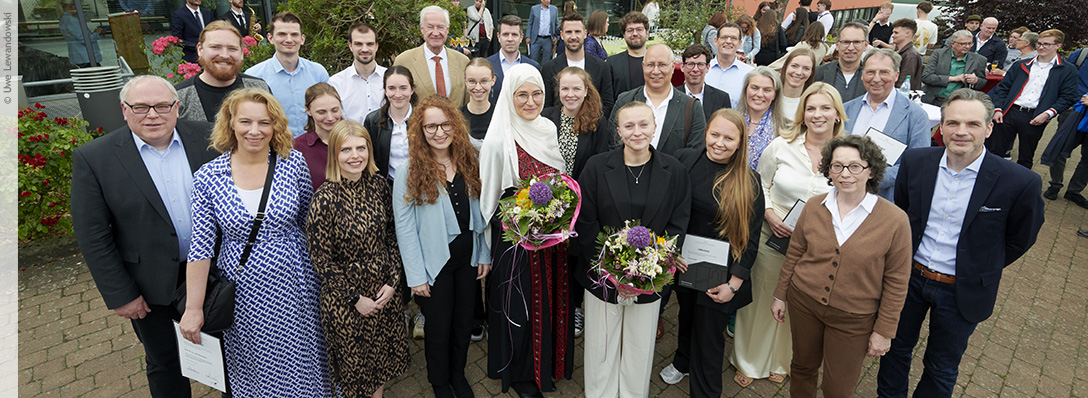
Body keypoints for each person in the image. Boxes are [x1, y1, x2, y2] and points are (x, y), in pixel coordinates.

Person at [876, 88, 1045, 398]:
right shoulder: (915, 162)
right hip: (909, 279)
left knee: (941, 366)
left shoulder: (1020, 182)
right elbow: (904, 213)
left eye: (973, 124)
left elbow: (1020, 238)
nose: (961, 132)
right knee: (894, 350)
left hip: (962, 290)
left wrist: (978, 265)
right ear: (941, 127)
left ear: (990, 127)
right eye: (952, 123)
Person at [71, 75, 218, 398]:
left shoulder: (208, 138)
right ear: (124, 111)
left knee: (228, 357)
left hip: (213, 276)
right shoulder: (95, 158)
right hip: (150, 286)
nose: (153, 115)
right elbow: (93, 234)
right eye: (141, 107)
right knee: (165, 362)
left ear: (177, 107)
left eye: (162, 105)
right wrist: (121, 294)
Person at [178, 88, 331, 396]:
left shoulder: (292, 164)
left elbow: (308, 224)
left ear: (275, 125)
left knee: (306, 356)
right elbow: (201, 247)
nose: (255, 131)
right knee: (258, 363)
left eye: (264, 122)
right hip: (244, 289)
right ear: (230, 123)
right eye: (246, 121)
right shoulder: (209, 177)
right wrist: (194, 308)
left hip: (297, 281)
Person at [770, 134, 912, 398]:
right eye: (837, 166)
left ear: (871, 171)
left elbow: (897, 281)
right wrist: (780, 295)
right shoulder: (814, 206)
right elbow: (795, 253)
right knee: (802, 367)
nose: (845, 174)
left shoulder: (895, 221)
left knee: (838, 387)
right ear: (828, 170)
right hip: (804, 303)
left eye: (855, 166)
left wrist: (884, 331)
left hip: (854, 317)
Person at [732, 82, 847, 388]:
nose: (817, 114)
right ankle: (748, 359)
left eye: (825, 108)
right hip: (774, 236)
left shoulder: (849, 153)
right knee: (761, 300)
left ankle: (782, 360)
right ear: (802, 113)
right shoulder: (781, 147)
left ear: (837, 114)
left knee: (798, 305)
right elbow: (761, 186)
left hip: (818, 246)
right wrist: (770, 213)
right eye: (811, 108)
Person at [575, 101, 692, 398]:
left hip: (651, 278)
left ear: (654, 128)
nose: (637, 132)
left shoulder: (674, 170)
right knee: (601, 347)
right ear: (618, 131)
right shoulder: (597, 167)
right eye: (629, 126)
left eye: (643, 125)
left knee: (639, 347)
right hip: (602, 278)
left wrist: (645, 273)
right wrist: (614, 273)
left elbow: (678, 224)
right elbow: (587, 223)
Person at [480, 64, 573, 397]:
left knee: (550, 304)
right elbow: (489, 201)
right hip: (516, 243)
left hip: (552, 240)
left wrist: (554, 217)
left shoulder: (548, 128)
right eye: (522, 94)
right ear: (509, 95)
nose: (531, 101)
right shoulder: (498, 140)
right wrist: (524, 222)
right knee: (521, 307)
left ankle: (548, 366)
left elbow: (558, 179)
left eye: (537, 94)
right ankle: (521, 374)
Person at [659, 109, 764, 396]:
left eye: (729, 138)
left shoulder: (749, 181)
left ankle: (705, 391)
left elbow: (750, 239)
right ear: (705, 133)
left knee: (709, 336)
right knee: (687, 315)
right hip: (683, 263)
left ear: (741, 142)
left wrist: (734, 283)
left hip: (719, 273)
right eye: (714, 134)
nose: (719, 143)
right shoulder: (684, 159)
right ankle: (683, 360)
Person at [393, 96, 491, 398]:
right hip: (433, 265)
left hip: (468, 259)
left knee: (463, 322)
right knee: (438, 328)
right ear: (420, 130)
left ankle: (457, 373)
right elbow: (405, 227)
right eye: (431, 126)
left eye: (445, 124)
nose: (439, 132)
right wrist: (416, 276)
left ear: (455, 126)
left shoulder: (469, 159)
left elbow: (482, 212)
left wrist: (483, 252)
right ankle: (438, 381)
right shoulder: (409, 170)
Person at [306, 120, 410, 397]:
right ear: (334, 155)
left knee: (381, 366)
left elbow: (391, 236)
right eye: (346, 149)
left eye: (361, 148)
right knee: (356, 374)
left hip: (382, 291)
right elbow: (321, 260)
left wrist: (393, 282)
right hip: (347, 300)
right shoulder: (323, 199)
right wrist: (355, 299)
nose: (355, 156)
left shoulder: (379, 186)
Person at [843, 48, 931, 200]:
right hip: (843, 197)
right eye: (870, 72)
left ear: (896, 75)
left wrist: (867, 176)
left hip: (885, 201)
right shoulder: (846, 109)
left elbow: (917, 165)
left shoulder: (915, 115)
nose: (876, 79)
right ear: (863, 75)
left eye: (884, 72)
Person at [986, 29, 1080, 169]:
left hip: (1035, 117)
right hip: (1009, 112)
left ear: (1058, 46)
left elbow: (1068, 97)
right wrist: (998, 108)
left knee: (1025, 157)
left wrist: (1048, 113)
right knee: (994, 152)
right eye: (1039, 44)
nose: (1041, 47)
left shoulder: (1067, 69)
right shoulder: (1021, 65)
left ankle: (1020, 187)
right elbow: (1003, 88)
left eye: (1046, 44)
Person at [612, 44, 707, 157]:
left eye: (662, 65)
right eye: (650, 65)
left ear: (673, 67)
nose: (656, 71)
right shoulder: (625, 101)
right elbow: (613, 144)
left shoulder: (691, 108)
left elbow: (695, 153)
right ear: (643, 66)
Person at [245, 12, 331, 137]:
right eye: (282, 34)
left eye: (294, 34)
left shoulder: (318, 73)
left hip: (314, 147)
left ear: (302, 39)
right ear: (270, 38)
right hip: (273, 148)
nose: (289, 39)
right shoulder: (254, 76)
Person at [176, 20, 271, 122]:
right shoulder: (180, 97)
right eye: (215, 47)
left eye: (232, 48)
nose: (224, 55)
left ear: (241, 53)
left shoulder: (259, 88)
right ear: (200, 49)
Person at [543, 67, 613, 180]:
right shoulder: (545, 117)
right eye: (565, 89)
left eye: (576, 89)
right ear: (558, 91)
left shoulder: (598, 122)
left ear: (585, 91)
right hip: (549, 190)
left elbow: (601, 162)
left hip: (584, 189)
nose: (570, 94)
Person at [394, 6, 471, 107]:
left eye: (440, 27)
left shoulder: (463, 61)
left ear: (447, 29)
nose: (435, 33)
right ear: (422, 29)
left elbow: (468, 102)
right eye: (430, 27)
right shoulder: (403, 61)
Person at [542, 12, 615, 116]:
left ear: (585, 34)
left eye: (577, 32)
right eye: (568, 32)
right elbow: (547, 106)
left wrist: (590, 123)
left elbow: (607, 104)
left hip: (593, 128)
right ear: (562, 35)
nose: (573, 36)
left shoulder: (601, 66)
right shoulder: (548, 68)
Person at [1043, 46, 1088, 207]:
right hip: (1074, 111)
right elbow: (1063, 76)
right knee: (1059, 147)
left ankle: (1074, 191)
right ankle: (1055, 184)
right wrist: (1065, 102)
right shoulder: (1081, 55)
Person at [364, 66, 419, 181]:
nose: (398, 94)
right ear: (385, 90)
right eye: (392, 88)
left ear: (412, 89)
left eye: (403, 88)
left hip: (421, 186)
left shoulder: (424, 118)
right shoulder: (373, 121)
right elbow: (369, 159)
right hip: (386, 188)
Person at [329, 23, 387, 124]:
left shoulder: (390, 77)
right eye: (358, 44)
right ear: (350, 46)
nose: (364, 49)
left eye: (370, 44)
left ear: (376, 46)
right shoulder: (336, 83)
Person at [294, 82, 343, 191]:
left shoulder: (355, 141)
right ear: (308, 110)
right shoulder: (296, 148)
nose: (330, 118)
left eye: (335, 110)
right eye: (322, 112)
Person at [920, 30, 988, 106]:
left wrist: (976, 80)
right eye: (963, 44)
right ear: (953, 44)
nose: (967, 46)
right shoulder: (939, 54)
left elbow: (983, 82)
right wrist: (954, 78)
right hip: (933, 100)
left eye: (970, 43)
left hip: (958, 103)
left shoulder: (979, 60)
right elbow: (926, 77)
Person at [737, 66, 786, 169]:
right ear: (746, 90)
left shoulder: (784, 128)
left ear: (774, 95)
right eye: (754, 88)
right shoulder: (732, 120)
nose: (759, 94)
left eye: (767, 90)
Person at [489, 15, 542, 102]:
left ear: (521, 38)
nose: (510, 39)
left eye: (514, 35)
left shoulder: (533, 67)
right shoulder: (487, 65)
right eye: (505, 34)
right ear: (498, 37)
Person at [813, 22, 868, 102]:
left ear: (866, 45)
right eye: (846, 42)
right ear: (837, 45)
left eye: (857, 42)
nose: (851, 48)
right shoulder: (818, 73)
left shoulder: (872, 77)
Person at [707, 23, 756, 108]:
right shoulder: (703, 70)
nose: (728, 41)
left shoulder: (749, 73)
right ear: (716, 41)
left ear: (740, 43)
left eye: (733, 38)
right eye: (724, 37)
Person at [607, 11, 650, 103]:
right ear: (624, 35)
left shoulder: (657, 62)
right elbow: (608, 98)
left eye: (639, 29)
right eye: (630, 30)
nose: (635, 33)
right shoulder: (612, 63)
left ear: (647, 33)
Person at [682, 44, 732, 121]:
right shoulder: (671, 96)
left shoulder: (722, 99)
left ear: (708, 68)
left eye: (700, 64)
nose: (695, 69)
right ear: (683, 67)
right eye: (691, 64)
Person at [462, 58, 497, 149]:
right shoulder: (456, 117)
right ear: (465, 81)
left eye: (484, 81)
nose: (478, 87)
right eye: (472, 81)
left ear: (493, 80)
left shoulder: (502, 116)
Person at [777, 48, 817, 124]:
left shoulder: (812, 103)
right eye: (794, 66)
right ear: (785, 66)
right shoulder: (770, 98)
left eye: (806, 68)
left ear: (811, 72)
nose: (799, 72)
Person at [59, 0, 102, 68]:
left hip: (80, 57)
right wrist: (96, 34)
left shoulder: (64, 19)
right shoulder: (72, 21)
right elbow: (84, 39)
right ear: (71, 6)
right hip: (86, 58)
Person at [889, 19, 923, 90]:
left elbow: (904, 82)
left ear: (907, 33)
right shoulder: (906, 53)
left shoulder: (910, 55)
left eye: (896, 33)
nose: (892, 35)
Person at [526, 0, 560, 64]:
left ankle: (545, 74)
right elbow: (530, 23)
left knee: (546, 61)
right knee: (533, 59)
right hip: (536, 39)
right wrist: (528, 36)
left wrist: (556, 37)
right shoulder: (534, 9)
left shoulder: (554, 9)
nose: (548, 1)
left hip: (548, 39)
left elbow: (556, 25)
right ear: (541, 0)